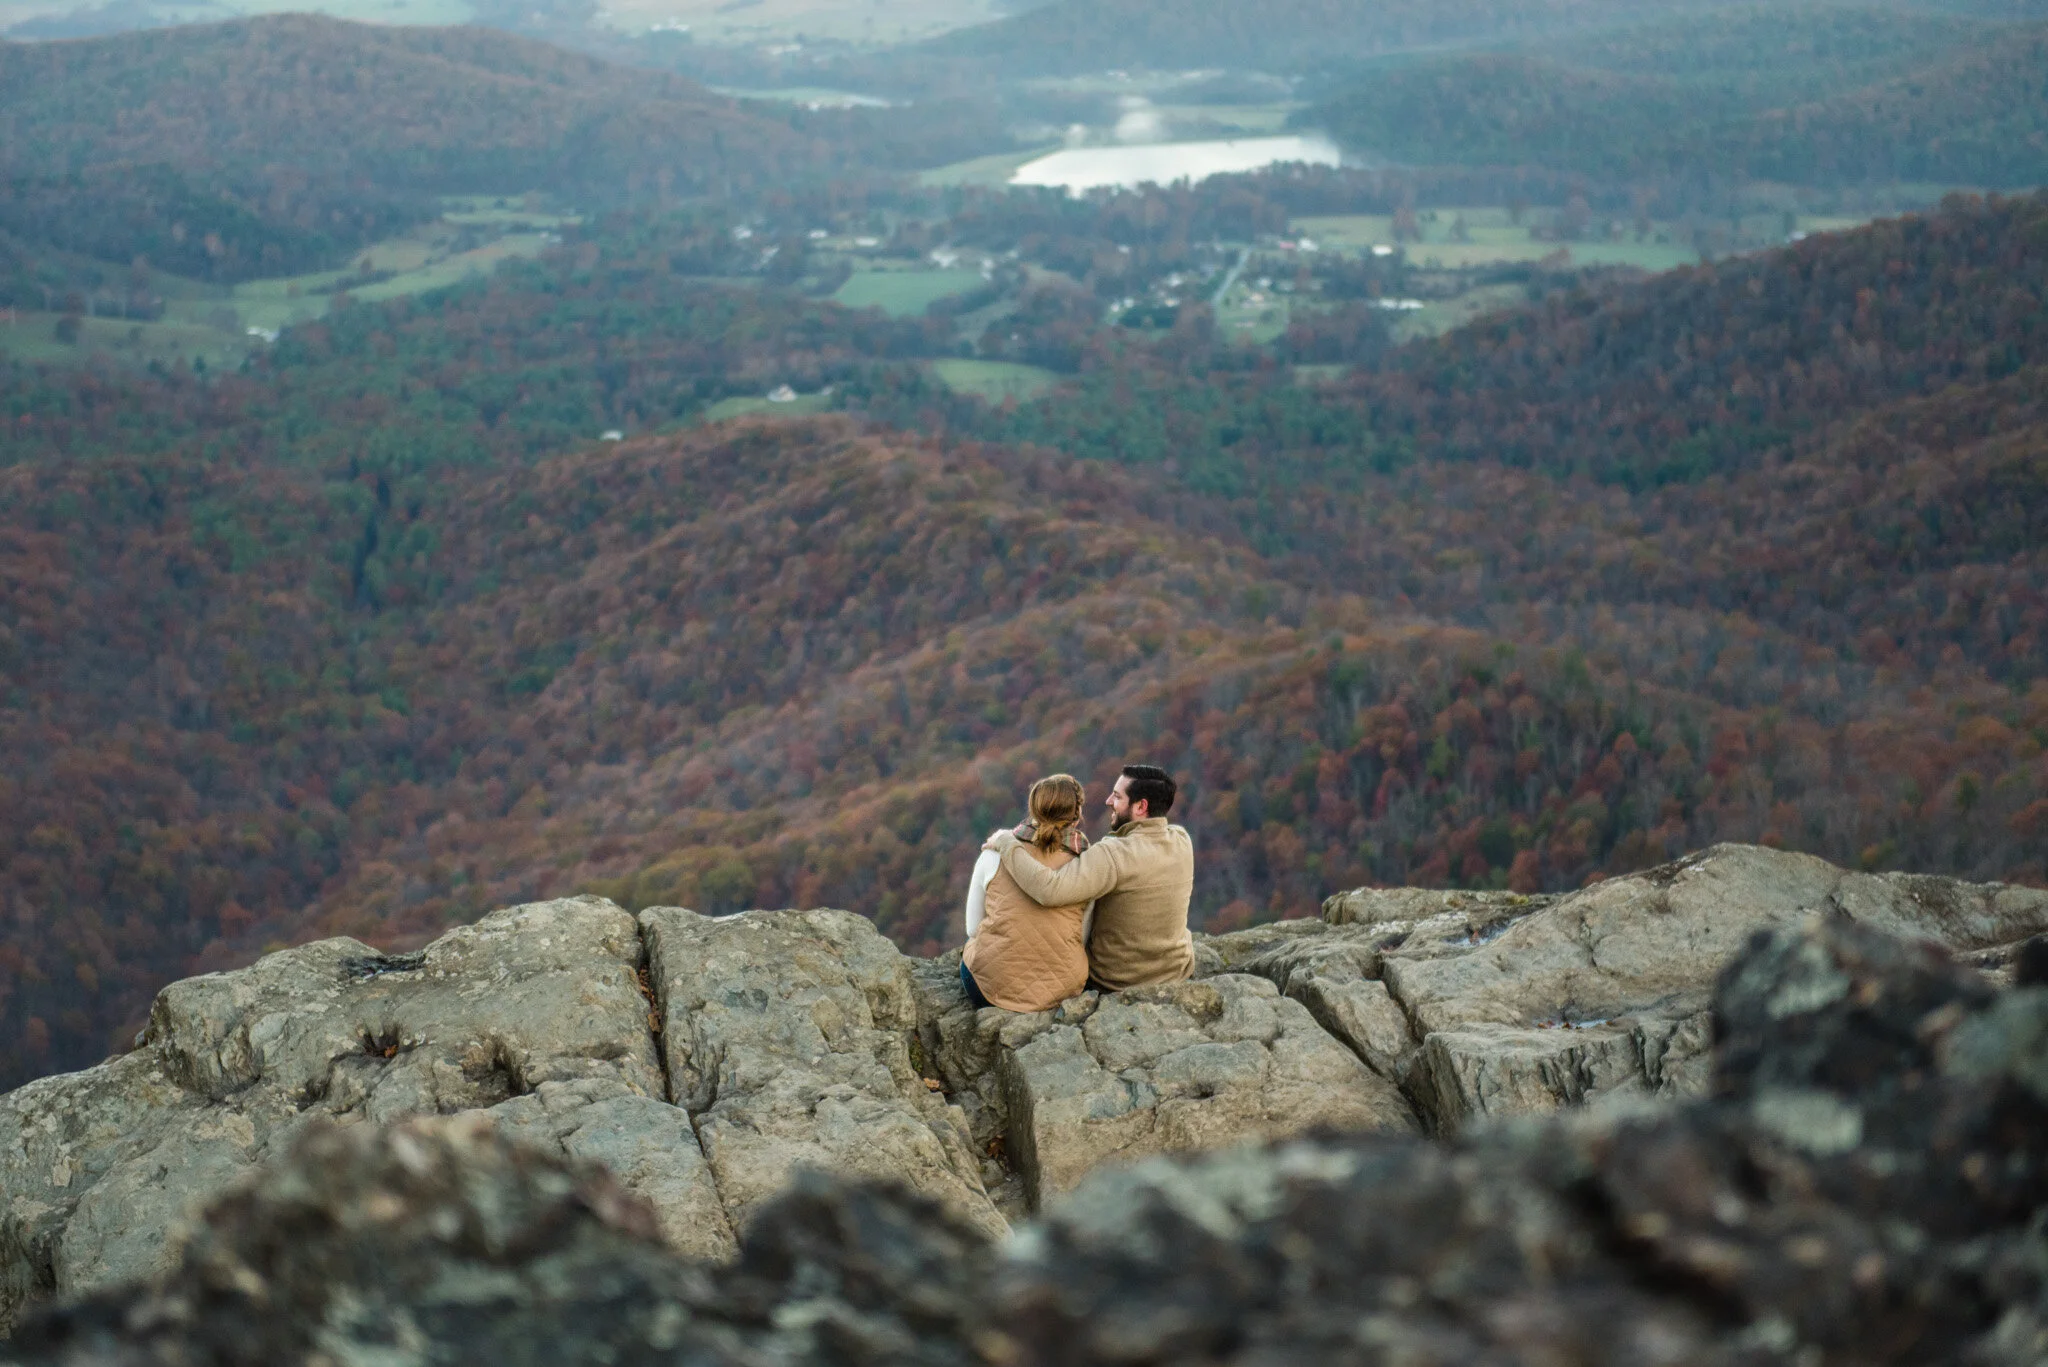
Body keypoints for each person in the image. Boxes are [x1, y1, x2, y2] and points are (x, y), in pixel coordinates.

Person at [983, 763, 1193, 992]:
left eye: (1117, 796)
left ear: (1141, 806)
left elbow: (1049, 890)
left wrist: (1006, 843)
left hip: (1118, 981)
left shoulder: (1112, 854)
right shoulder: (1182, 841)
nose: (1108, 801)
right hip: (1175, 972)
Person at [959, 774, 1096, 1013]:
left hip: (990, 988)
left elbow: (972, 929)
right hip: (1061, 991)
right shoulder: (1087, 865)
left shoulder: (994, 852)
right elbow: (1082, 937)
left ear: (1032, 808)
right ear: (1077, 814)